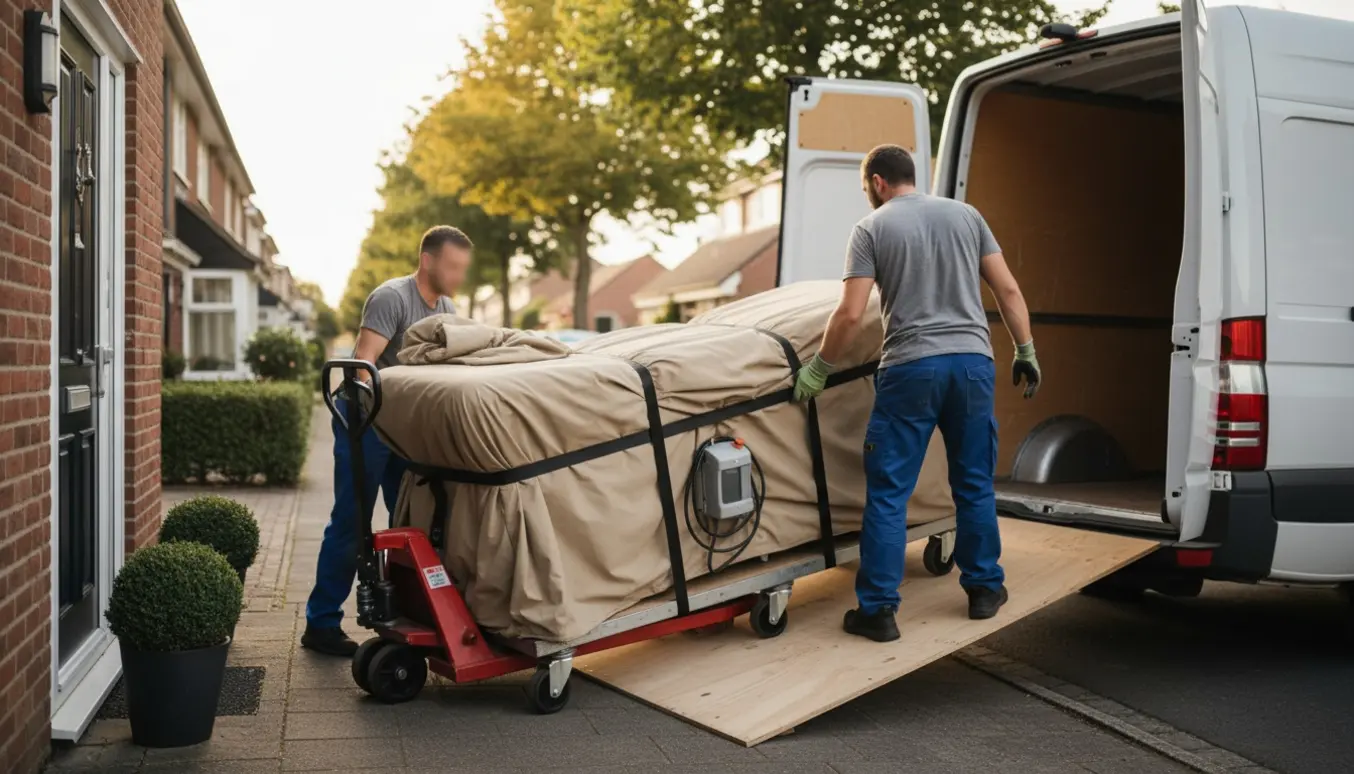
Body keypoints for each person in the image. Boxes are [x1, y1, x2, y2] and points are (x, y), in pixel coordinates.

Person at [793, 144, 1040, 643]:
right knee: (973, 484)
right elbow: (1008, 291)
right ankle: (985, 590)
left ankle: (879, 612)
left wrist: (819, 368)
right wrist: (1026, 349)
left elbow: (849, 313)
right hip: (973, 365)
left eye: (867, 189)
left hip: (912, 368)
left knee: (888, 494)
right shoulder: (967, 216)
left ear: (879, 182)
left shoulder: (872, 228)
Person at [301, 225, 472, 656]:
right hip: (366, 420)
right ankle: (320, 624)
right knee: (353, 521)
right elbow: (363, 364)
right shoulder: (392, 297)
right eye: (452, 266)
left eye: (462, 268)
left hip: (405, 425)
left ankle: (409, 609)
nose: (457, 276)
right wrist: (380, 412)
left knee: (411, 520)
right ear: (427, 260)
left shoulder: (447, 306)